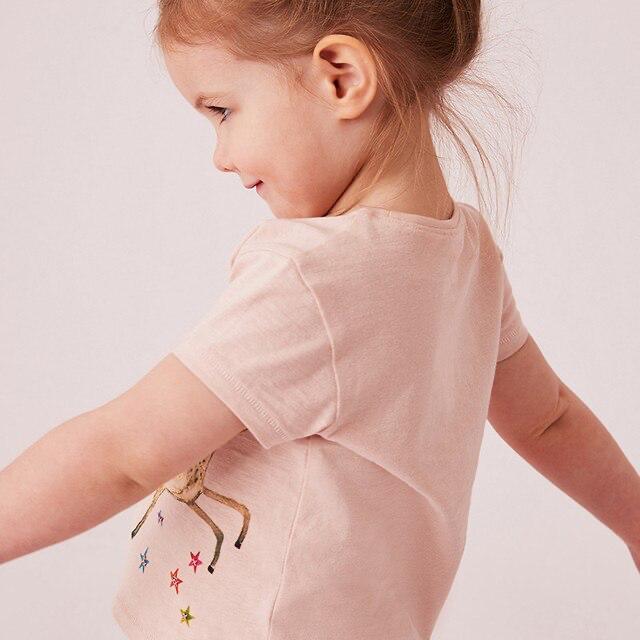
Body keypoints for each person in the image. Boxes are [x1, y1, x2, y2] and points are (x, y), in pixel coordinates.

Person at [1, 1, 638, 638]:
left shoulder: (311, 278)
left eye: (221, 111)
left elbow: (123, 452)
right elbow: (549, 418)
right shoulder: (468, 255)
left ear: (342, 78)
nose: (220, 157)